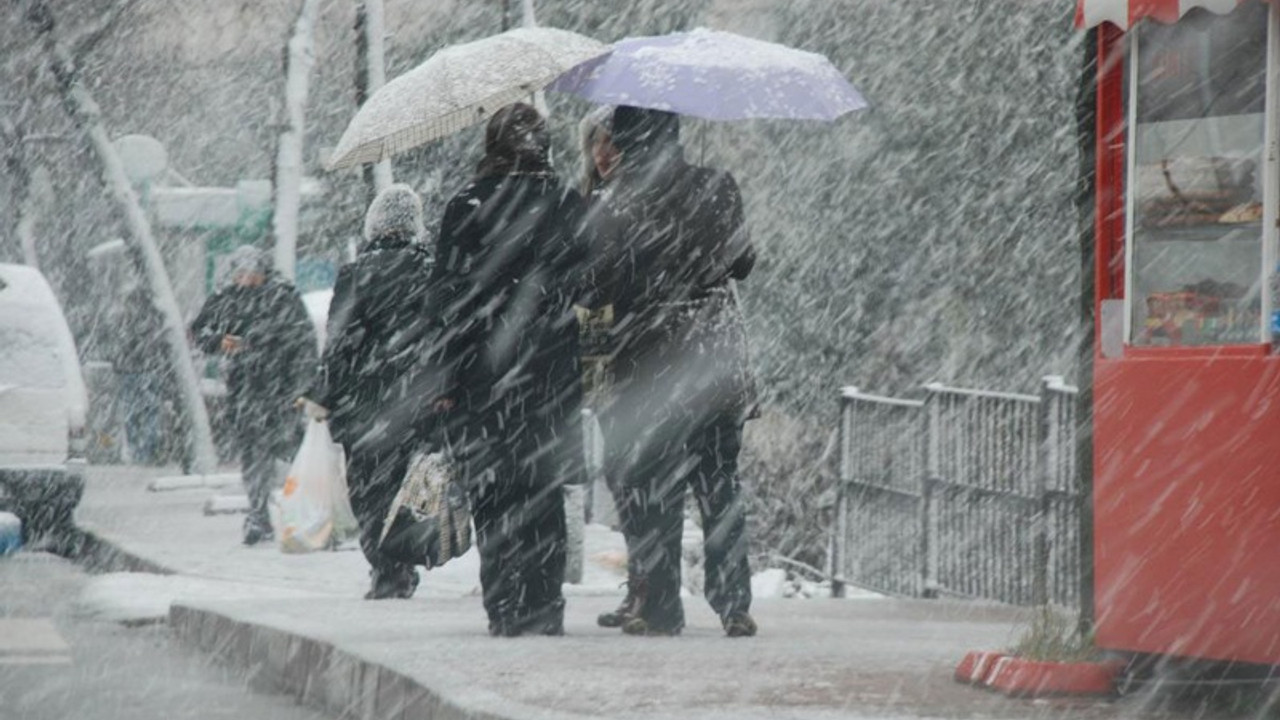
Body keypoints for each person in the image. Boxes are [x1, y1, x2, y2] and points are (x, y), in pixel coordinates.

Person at [592, 105, 760, 637]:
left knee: (650, 485)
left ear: (627, 140)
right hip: (714, 358)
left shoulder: (617, 201)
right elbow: (743, 263)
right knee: (719, 484)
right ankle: (734, 602)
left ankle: (660, 605)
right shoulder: (716, 184)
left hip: (651, 362)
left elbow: (597, 286)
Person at [431, 102, 589, 637]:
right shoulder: (566, 203)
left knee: (493, 494)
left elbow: (446, 302)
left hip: (484, 377)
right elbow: (585, 283)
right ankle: (546, 604)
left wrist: (448, 381)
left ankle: (504, 604)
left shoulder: (466, 206)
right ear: (543, 146)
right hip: (550, 377)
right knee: (544, 491)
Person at [306, 184, 435, 600]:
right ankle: (402, 560)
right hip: (413, 397)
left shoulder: (357, 274)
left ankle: (384, 567)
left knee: (368, 487)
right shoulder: (431, 270)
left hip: (363, 401)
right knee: (407, 484)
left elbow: (340, 342)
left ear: (374, 224)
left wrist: (323, 392)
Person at [190, 245, 316, 545]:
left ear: (263, 272)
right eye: (240, 273)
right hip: (245, 390)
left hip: (280, 389)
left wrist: (302, 386)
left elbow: (303, 344)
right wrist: (220, 341)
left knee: (294, 451)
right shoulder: (226, 297)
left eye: (251, 273)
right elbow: (200, 331)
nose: (245, 279)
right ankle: (258, 515)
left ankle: (310, 513)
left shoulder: (283, 296)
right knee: (254, 455)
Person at [115, 281, 168, 465]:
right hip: (152, 370)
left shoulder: (126, 317)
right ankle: (146, 451)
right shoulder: (157, 316)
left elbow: (123, 344)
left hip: (131, 371)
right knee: (150, 412)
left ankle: (137, 452)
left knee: (132, 414)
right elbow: (161, 344)